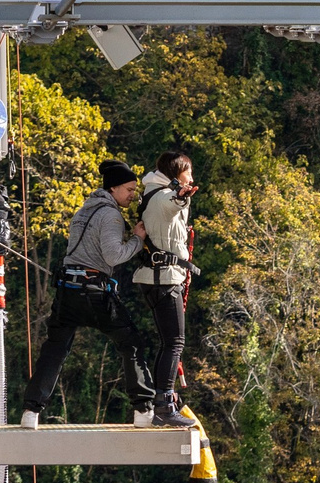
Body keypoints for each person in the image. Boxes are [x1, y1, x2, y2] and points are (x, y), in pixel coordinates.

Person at [18, 160, 155, 428]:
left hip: (67, 292)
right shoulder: (112, 216)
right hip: (95, 293)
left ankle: (30, 412)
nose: (133, 195)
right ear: (113, 188)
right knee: (131, 343)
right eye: (129, 189)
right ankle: (143, 411)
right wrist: (137, 239)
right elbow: (114, 255)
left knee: (54, 350)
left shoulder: (82, 211)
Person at [128, 151, 199, 430]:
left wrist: (180, 194)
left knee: (169, 342)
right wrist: (182, 195)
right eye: (188, 172)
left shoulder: (155, 193)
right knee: (174, 343)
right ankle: (163, 405)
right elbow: (172, 203)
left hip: (160, 278)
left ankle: (163, 401)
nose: (191, 178)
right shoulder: (162, 197)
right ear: (175, 173)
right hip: (164, 279)